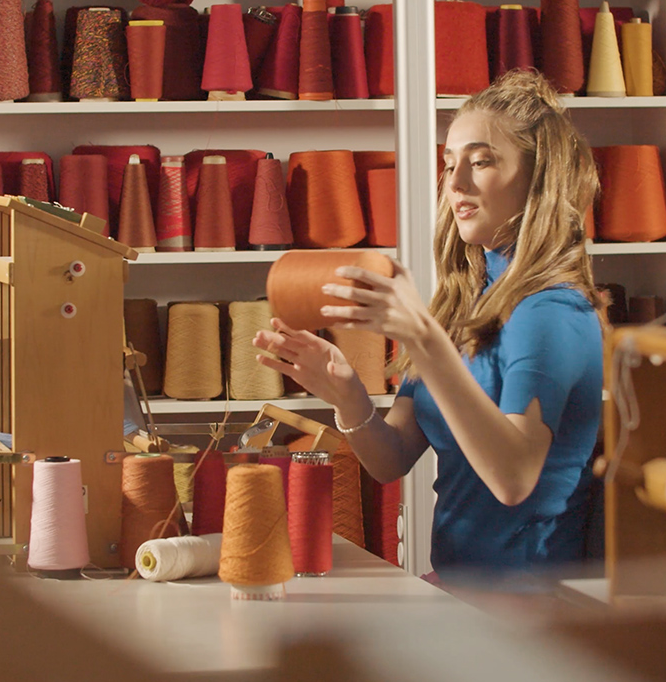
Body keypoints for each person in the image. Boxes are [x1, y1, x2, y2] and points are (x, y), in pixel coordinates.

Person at [253, 70, 604, 584]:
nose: (455, 183)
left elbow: (513, 479)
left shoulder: (551, 313)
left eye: (481, 162)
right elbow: (391, 458)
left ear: (537, 178)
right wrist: (347, 395)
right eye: (450, 164)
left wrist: (423, 338)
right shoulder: (465, 304)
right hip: (462, 590)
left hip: (535, 607)